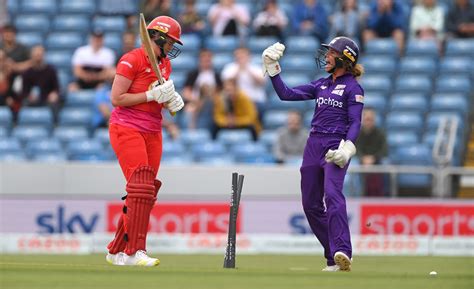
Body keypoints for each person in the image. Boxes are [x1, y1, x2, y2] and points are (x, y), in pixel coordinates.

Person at [262, 36, 365, 271]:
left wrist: (347, 148)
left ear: (344, 58)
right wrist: (272, 68)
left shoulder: (353, 88)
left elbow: (355, 122)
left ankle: (343, 250)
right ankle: (333, 256)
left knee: (332, 194)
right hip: (313, 144)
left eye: (331, 53)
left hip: (335, 146)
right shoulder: (321, 84)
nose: (326, 57)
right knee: (310, 204)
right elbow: (286, 94)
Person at [105, 15, 185, 266]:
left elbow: (157, 99)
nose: (171, 48)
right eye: (170, 42)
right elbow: (117, 99)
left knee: (146, 191)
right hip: (127, 127)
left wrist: (170, 101)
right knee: (139, 186)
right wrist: (150, 94)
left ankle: (115, 250)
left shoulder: (164, 65)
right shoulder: (131, 59)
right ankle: (135, 251)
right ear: (157, 38)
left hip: (153, 129)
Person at [221, 47, 267, 121]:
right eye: (238, 55)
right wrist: (239, 69)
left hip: (255, 100)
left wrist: (247, 69)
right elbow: (227, 83)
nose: (240, 57)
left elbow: (262, 82)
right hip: (235, 101)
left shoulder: (256, 68)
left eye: (243, 55)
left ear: (249, 56)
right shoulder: (230, 68)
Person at [181, 48, 222, 130]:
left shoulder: (216, 75)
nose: (206, 60)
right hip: (196, 102)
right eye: (203, 58)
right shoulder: (193, 74)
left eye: (208, 58)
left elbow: (220, 92)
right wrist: (195, 100)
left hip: (213, 103)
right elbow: (186, 92)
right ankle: (191, 131)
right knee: (189, 109)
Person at [21, 45, 61, 118]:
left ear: (44, 56)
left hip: (47, 99)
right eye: (36, 55)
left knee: (54, 103)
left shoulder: (51, 70)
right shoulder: (26, 73)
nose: (38, 57)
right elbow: (24, 92)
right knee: (25, 103)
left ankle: (55, 124)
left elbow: (57, 88)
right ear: (31, 56)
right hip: (32, 100)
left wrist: (54, 94)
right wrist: (29, 96)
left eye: (40, 55)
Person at [356, 107, 388, 196]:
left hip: (377, 160)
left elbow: (384, 150)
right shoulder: (357, 133)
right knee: (352, 165)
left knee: (386, 164)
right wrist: (363, 158)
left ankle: (384, 195)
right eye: (367, 119)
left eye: (371, 119)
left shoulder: (380, 133)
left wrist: (373, 158)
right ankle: (357, 194)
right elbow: (354, 149)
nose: (368, 122)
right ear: (362, 119)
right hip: (360, 160)